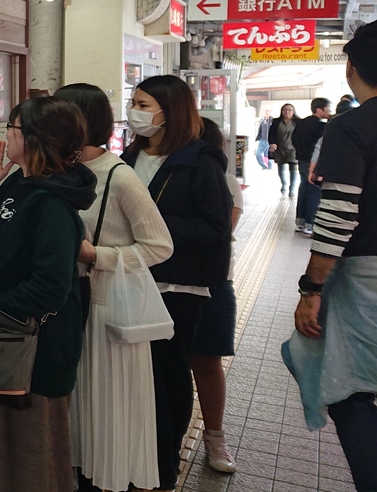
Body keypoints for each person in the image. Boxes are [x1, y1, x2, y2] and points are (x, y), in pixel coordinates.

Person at [0, 97, 97, 492]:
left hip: (34, 346)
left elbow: (50, 288)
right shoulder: (20, 182)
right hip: (4, 338)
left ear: (34, 139)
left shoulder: (53, 205)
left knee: (28, 449)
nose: (5, 135)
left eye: (12, 128)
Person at [56, 84, 173, 492]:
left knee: (103, 416)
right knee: (76, 418)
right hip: (70, 307)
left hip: (107, 314)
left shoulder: (120, 176)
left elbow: (160, 246)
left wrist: (98, 255)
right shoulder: (60, 171)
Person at [121, 76, 232, 492]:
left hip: (178, 287)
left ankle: (165, 464)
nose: (134, 111)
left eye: (143, 104)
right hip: (131, 279)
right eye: (133, 102)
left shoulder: (199, 160)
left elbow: (215, 228)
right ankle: (136, 457)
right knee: (136, 377)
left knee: (168, 376)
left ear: (169, 111)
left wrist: (150, 225)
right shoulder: (130, 156)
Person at [284, 22, 377, 491]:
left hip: (366, 280)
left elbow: (339, 217)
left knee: (350, 387)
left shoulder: (353, 126)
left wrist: (311, 288)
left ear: (352, 67)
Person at [190, 118, 243, 474]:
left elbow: (219, 231)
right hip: (163, 282)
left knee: (208, 362)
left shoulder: (225, 181)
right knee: (168, 365)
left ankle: (215, 437)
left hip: (213, 283)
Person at [292, 98, 330, 233]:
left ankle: (300, 221)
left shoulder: (301, 123)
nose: (330, 112)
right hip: (314, 162)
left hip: (302, 159)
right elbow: (321, 147)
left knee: (303, 188)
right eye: (328, 109)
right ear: (319, 110)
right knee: (314, 190)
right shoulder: (321, 127)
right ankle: (310, 223)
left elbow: (294, 139)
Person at [268, 104, 298, 196]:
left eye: (290, 110)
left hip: (293, 149)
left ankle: (292, 188)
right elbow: (271, 134)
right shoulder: (276, 122)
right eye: (285, 110)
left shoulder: (298, 122)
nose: (287, 112)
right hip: (280, 148)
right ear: (282, 111)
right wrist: (272, 143)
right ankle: (284, 184)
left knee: (293, 168)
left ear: (293, 111)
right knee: (281, 168)